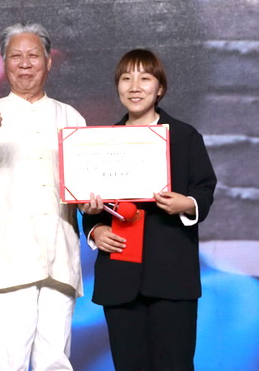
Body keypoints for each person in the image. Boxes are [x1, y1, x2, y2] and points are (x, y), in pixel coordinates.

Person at [0, 22, 86, 370]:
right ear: (3, 63)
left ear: (48, 62)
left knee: (56, 363)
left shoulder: (71, 117)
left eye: (33, 55)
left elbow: (85, 188)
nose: (25, 63)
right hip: (10, 260)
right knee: (9, 364)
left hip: (60, 258)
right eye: (16, 56)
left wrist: (93, 202)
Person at [80, 49, 217, 371]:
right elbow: (90, 206)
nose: (134, 86)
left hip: (172, 275)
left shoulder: (184, 137)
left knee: (175, 364)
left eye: (145, 78)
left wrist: (187, 203)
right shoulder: (100, 143)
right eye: (126, 78)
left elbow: (204, 190)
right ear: (117, 87)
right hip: (119, 276)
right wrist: (95, 229)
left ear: (160, 89)